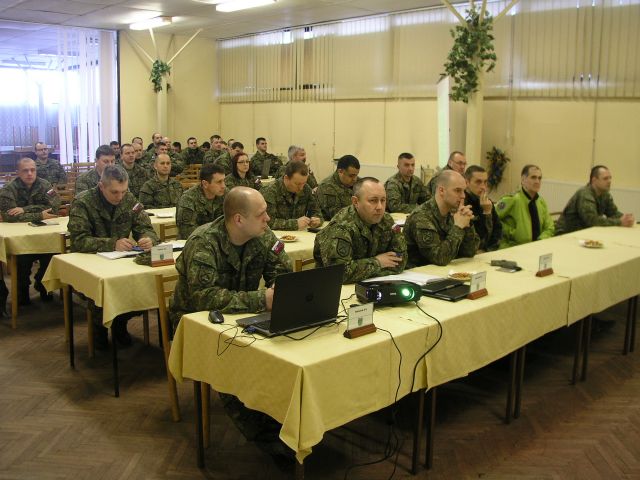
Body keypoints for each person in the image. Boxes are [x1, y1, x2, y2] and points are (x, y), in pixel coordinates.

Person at [170, 186, 291, 326]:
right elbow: (203, 297)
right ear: (239, 220)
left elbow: (282, 271)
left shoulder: (264, 234)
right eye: (260, 214)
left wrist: (279, 287)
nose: (267, 218)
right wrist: (261, 300)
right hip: (197, 321)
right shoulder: (204, 243)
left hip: (245, 316)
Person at [68, 165, 158, 348]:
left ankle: (119, 323)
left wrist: (148, 238)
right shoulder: (83, 202)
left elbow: (145, 227)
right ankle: (99, 330)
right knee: (101, 296)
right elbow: (78, 241)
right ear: (101, 186)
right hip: (91, 263)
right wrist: (112, 244)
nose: (120, 197)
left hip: (121, 263)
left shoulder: (129, 199)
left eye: (123, 191)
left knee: (142, 290)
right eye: (115, 192)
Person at [314, 177, 407, 283]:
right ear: (355, 202)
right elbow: (340, 273)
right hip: (334, 288)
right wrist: (378, 263)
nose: (380, 207)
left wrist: (364, 271)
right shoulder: (340, 227)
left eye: (383, 200)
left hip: (375, 283)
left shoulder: (386, 220)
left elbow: (401, 260)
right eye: (373, 201)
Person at [0, 158, 60, 304]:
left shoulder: (45, 185)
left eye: (32, 170)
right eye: (25, 170)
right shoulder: (8, 189)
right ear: (18, 172)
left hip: (43, 236)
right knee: (22, 262)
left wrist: (24, 209)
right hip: (21, 239)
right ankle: (22, 290)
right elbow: (9, 216)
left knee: (54, 253)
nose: (29, 173)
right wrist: (40, 214)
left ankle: (42, 283)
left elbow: (54, 207)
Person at [404, 170, 479, 267]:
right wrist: (458, 227)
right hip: (419, 273)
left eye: (464, 191)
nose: (463, 196)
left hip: (443, 272)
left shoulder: (453, 213)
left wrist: (467, 226)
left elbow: (470, 252)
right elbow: (440, 258)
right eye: (457, 190)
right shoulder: (421, 217)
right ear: (441, 191)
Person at [555, 165, 635, 234]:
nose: (609, 181)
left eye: (610, 178)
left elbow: (613, 212)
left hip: (585, 233)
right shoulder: (585, 194)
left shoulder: (604, 194)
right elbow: (593, 221)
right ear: (594, 180)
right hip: (566, 234)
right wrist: (620, 222)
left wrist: (626, 218)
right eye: (605, 179)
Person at [496, 164, 554, 248]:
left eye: (539, 178)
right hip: (513, 247)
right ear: (523, 180)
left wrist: (540, 241)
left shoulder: (541, 202)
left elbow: (550, 227)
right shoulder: (512, 199)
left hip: (536, 247)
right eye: (533, 177)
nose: (537, 181)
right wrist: (512, 232)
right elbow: (492, 218)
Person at [261, 161, 322, 231]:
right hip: (277, 235)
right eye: (297, 184)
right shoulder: (270, 192)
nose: (301, 188)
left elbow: (316, 211)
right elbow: (267, 222)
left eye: (304, 183)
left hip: (300, 234)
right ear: (286, 178)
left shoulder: (306, 188)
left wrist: (317, 220)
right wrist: (295, 224)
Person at [176, 163, 226, 239]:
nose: (223, 186)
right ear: (205, 184)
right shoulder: (188, 198)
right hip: (195, 241)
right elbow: (187, 232)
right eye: (219, 182)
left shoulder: (225, 194)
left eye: (224, 181)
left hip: (219, 239)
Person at [464, 165, 502, 252]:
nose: (483, 187)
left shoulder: (487, 202)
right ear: (467, 182)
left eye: (485, 182)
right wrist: (486, 213)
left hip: (487, 253)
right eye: (478, 182)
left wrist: (488, 250)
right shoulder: (463, 203)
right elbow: (477, 238)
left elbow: (498, 230)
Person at [316, 154, 360, 220]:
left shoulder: (358, 181)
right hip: (334, 223)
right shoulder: (327, 187)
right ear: (340, 171)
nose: (355, 179)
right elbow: (337, 215)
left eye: (356, 175)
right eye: (351, 176)